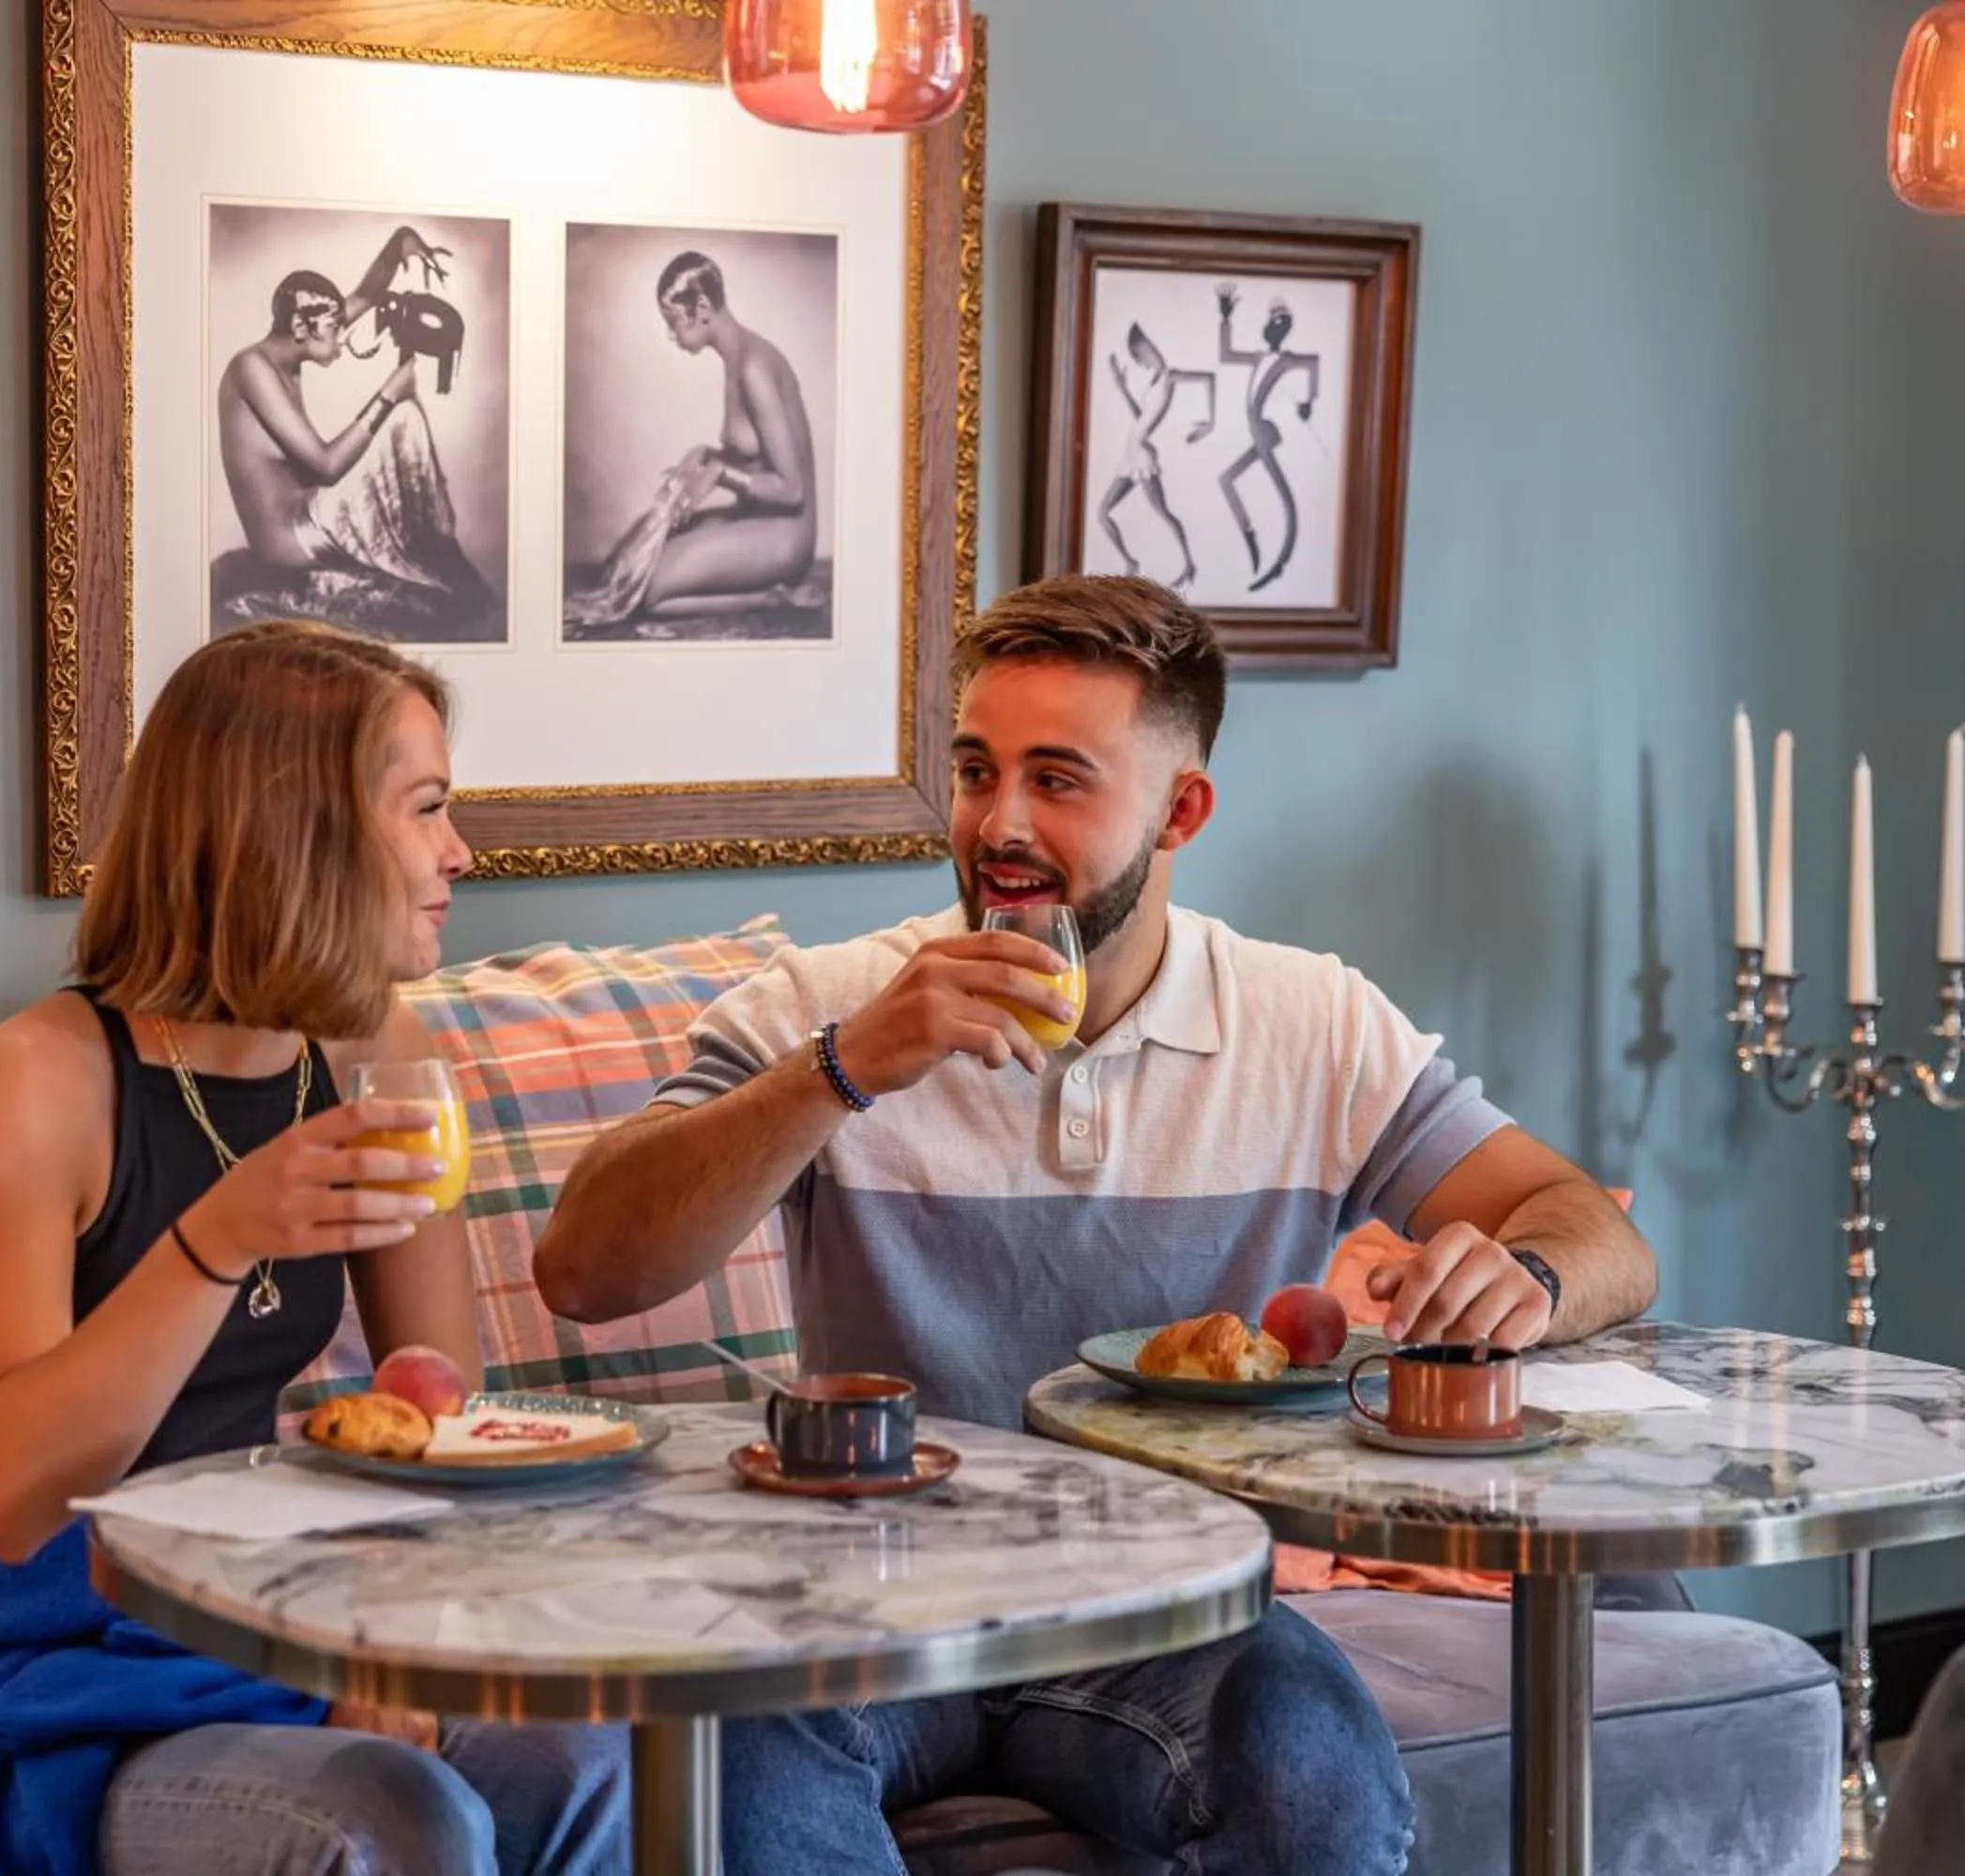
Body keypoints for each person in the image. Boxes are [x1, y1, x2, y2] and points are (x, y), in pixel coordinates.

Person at [534, 574, 1661, 1876]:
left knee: (1317, 1783)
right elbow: (585, 1265)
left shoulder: (1311, 1026)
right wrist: (845, 1066)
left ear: (1182, 809)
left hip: (1169, 1603)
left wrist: (1520, 1272)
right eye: (975, 770)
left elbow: (1596, 1232)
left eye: (1058, 780)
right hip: (861, 1584)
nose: (997, 824)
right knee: (736, 1768)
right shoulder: (834, 1002)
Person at [0, 621, 626, 1874]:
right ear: (294, 833)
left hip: (268, 1599)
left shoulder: (382, 1061)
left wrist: (384, 1640)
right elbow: (1, 1503)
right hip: (44, 1638)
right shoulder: (22, 1094)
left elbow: (437, 1424)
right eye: (426, 811)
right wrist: (214, 1243)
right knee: (392, 1814)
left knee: (584, 1756)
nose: (457, 855)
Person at [215, 234, 496, 640]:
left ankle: (438, 545)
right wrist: (387, 394)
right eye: (334, 328)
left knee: (403, 420)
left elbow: (367, 292)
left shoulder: (300, 338)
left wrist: (402, 243)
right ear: (299, 326)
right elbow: (326, 466)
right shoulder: (252, 369)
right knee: (398, 414)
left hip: (309, 513)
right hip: (287, 541)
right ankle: (437, 547)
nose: (343, 336)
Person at [565, 251, 822, 633]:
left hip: (785, 536)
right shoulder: (737, 358)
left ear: (702, 308)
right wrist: (706, 455)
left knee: (646, 591)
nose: (670, 335)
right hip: (755, 519)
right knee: (629, 561)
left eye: (672, 323)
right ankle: (768, 593)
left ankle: (771, 597)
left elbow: (792, 490)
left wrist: (720, 473)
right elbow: (755, 456)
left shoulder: (753, 369)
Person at [1213, 287, 1322, 592]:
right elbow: (1226, 354)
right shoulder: (1259, 357)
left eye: (1280, 324)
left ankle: (1280, 560)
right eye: (1272, 323)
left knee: (1286, 499)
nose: (1274, 329)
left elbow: (1313, 364)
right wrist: (1225, 319)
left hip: (1265, 432)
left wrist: (1308, 401)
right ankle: (1252, 538)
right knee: (1226, 479)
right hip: (1258, 431)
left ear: (1284, 329)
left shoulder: (1287, 360)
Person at [1095, 321, 1215, 590]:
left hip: (1141, 456)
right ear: (1140, 359)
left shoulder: (1170, 376)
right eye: (1146, 351)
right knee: (1103, 513)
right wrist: (1121, 387)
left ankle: (1189, 564)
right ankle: (1130, 562)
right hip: (1132, 452)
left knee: (1162, 511)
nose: (1154, 353)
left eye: (1152, 348)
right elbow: (1140, 419)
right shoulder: (1153, 382)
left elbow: (1208, 378)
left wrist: (1210, 422)